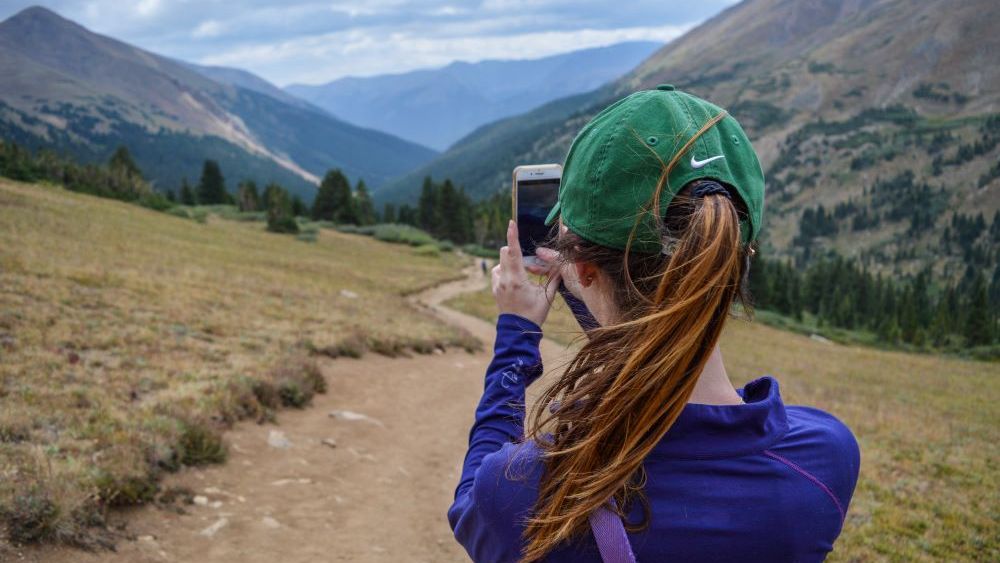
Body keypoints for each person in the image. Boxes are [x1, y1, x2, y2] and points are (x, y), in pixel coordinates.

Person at [447, 85, 860, 562]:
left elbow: (470, 508)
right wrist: (591, 277)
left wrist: (516, 334)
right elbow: (664, 340)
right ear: (734, 260)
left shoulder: (528, 494)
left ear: (584, 268)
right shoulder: (823, 461)